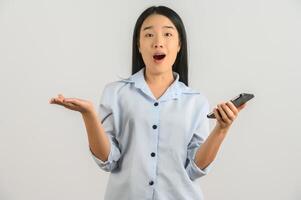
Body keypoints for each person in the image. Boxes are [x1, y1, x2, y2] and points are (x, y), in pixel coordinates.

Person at [49, 5, 246, 200]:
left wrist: (221, 129)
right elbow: (107, 161)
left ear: (179, 45)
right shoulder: (115, 93)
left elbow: (195, 169)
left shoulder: (196, 101)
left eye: (168, 35)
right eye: (149, 35)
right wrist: (89, 115)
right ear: (138, 44)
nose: (158, 42)